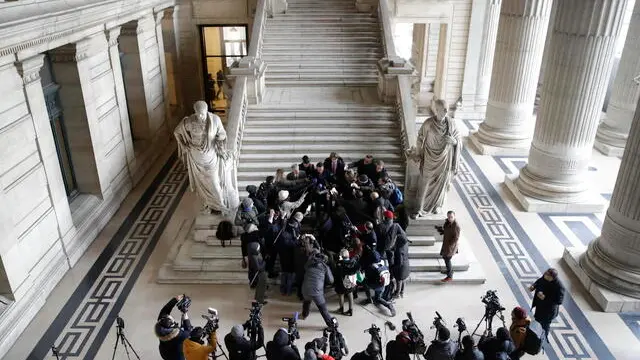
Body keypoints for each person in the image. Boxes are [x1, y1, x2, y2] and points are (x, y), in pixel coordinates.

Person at [174, 100, 239, 214]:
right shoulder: (189, 121)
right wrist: (184, 146)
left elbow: (222, 133)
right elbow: (177, 132)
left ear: (207, 110)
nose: (200, 116)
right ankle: (209, 204)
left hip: (211, 157)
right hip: (196, 158)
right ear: (195, 112)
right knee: (202, 184)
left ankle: (221, 204)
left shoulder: (214, 120)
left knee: (214, 182)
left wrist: (219, 140)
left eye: (202, 113)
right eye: (198, 114)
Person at [406, 98, 461, 216]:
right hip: (429, 158)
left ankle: (437, 206)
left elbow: (458, 140)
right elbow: (420, 138)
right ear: (437, 110)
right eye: (443, 110)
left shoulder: (451, 124)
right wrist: (418, 153)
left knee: (440, 183)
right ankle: (419, 208)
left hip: (445, 158)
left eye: (447, 109)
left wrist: (454, 141)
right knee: (424, 183)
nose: (446, 112)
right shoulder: (428, 124)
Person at [529, 268, 565, 341]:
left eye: (547, 276)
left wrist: (545, 298)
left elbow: (559, 301)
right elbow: (539, 281)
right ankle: (534, 336)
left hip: (549, 311)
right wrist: (534, 286)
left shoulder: (559, 287)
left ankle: (542, 339)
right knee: (537, 321)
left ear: (552, 278)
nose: (544, 276)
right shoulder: (545, 277)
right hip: (540, 306)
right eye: (545, 274)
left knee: (545, 325)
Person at [301, 250, 334, 326]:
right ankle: (330, 325)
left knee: (306, 302)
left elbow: (306, 268)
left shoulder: (308, 264)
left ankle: (304, 315)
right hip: (317, 291)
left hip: (305, 288)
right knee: (323, 309)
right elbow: (331, 280)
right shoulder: (325, 267)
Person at [155, 295, 193, 360]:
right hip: (177, 357)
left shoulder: (161, 326)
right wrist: (185, 314)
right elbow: (189, 331)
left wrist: (175, 300)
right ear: (172, 326)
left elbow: (165, 311)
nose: (168, 315)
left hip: (164, 353)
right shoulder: (180, 335)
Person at [334, 249, 359, 316]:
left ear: (341, 256)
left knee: (341, 295)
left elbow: (337, 274)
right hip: (351, 281)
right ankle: (351, 310)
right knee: (350, 294)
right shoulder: (354, 261)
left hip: (342, 283)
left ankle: (341, 308)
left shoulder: (340, 264)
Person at [437, 210, 460, 282]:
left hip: (450, 246)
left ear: (454, 216)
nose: (450, 218)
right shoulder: (448, 222)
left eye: (451, 217)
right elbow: (446, 231)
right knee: (445, 258)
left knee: (447, 259)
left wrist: (450, 244)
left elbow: (456, 238)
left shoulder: (456, 226)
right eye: (449, 217)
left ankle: (450, 276)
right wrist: (441, 230)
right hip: (446, 244)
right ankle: (449, 271)